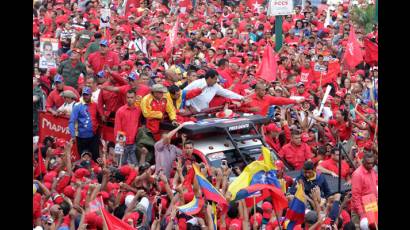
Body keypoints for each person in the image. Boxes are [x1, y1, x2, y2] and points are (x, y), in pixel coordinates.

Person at [69, 87, 100, 162]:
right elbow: (71, 121)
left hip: (93, 137)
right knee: (83, 160)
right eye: (84, 94)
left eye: (87, 94)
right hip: (81, 138)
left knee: (95, 158)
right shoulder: (77, 106)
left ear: (91, 95)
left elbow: (100, 117)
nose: (85, 96)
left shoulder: (95, 105)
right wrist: (73, 135)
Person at [114, 89, 142, 166]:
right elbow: (117, 128)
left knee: (134, 166)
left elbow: (139, 125)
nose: (129, 99)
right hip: (123, 143)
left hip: (134, 143)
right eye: (128, 97)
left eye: (132, 97)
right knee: (121, 165)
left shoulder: (138, 110)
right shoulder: (120, 111)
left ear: (135, 98)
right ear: (126, 98)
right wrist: (119, 143)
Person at [351, 151, 378, 229]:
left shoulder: (372, 170)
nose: (371, 165)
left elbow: (375, 185)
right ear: (363, 162)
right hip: (360, 211)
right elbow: (356, 196)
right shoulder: (358, 174)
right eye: (368, 163)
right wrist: (361, 214)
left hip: (371, 207)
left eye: (372, 163)